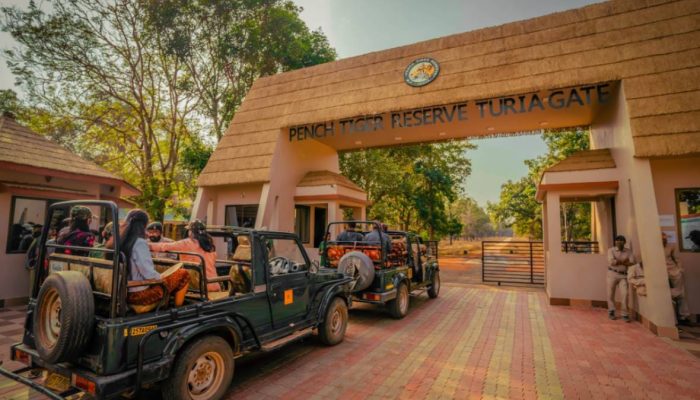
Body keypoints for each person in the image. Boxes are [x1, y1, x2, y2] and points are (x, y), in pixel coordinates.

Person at [116, 210, 190, 307]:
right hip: (140, 295)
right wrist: (162, 277)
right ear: (143, 226)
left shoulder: (121, 241)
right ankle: (178, 309)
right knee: (183, 273)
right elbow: (148, 274)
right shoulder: (139, 243)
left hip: (125, 291)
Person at [148, 220, 221, 293]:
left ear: (191, 232)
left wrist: (146, 245)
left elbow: (164, 246)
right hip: (214, 284)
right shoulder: (210, 245)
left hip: (198, 285)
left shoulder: (187, 242)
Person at [662, 232, 690, 323]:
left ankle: (683, 316)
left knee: (680, 293)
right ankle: (670, 318)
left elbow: (677, 259)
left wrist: (679, 270)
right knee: (666, 294)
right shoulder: (654, 248)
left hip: (674, 272)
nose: (664, 240)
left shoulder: (671, 246)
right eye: (662, 238)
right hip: (662, 272)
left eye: (665, 238)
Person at [607, 235, 635, 322]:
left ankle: (625, 314)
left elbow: (632, 263)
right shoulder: (611, 250)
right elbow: (612, 262)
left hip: (623, 275)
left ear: (624, 242)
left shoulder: (628, 251)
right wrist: (624, 262)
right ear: (615, 242)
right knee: (610, 293)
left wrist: (618, 261)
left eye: (621, 240)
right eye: (617, 240)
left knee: (625, 294)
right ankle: (611, 311)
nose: (619, 242)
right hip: (612, 274)